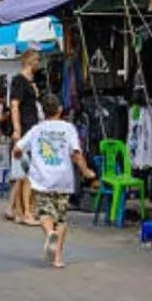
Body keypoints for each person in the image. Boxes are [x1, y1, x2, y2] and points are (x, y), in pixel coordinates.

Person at [14, 93, 96, 269]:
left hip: (43, 180)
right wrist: (86, 171)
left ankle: (49, 232)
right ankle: (58, 257)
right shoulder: (68, 128)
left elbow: (18, 148)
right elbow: (76, 153)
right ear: (60, 109)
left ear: (43, 112)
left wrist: (18, 155)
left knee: (44, 213)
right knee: (61, 218)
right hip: (63, 179)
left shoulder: (36, 129)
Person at [8, 49, 43, 225]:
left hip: (33, 130)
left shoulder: (31, 82)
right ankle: (25, 212)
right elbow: (14, 106)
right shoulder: (19, 81)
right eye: (37, 60)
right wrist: (17, 130)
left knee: (25, 174)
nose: (39, 63)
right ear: (29, 61)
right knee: (26, 174)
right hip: (25, 131)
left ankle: (18, 211)